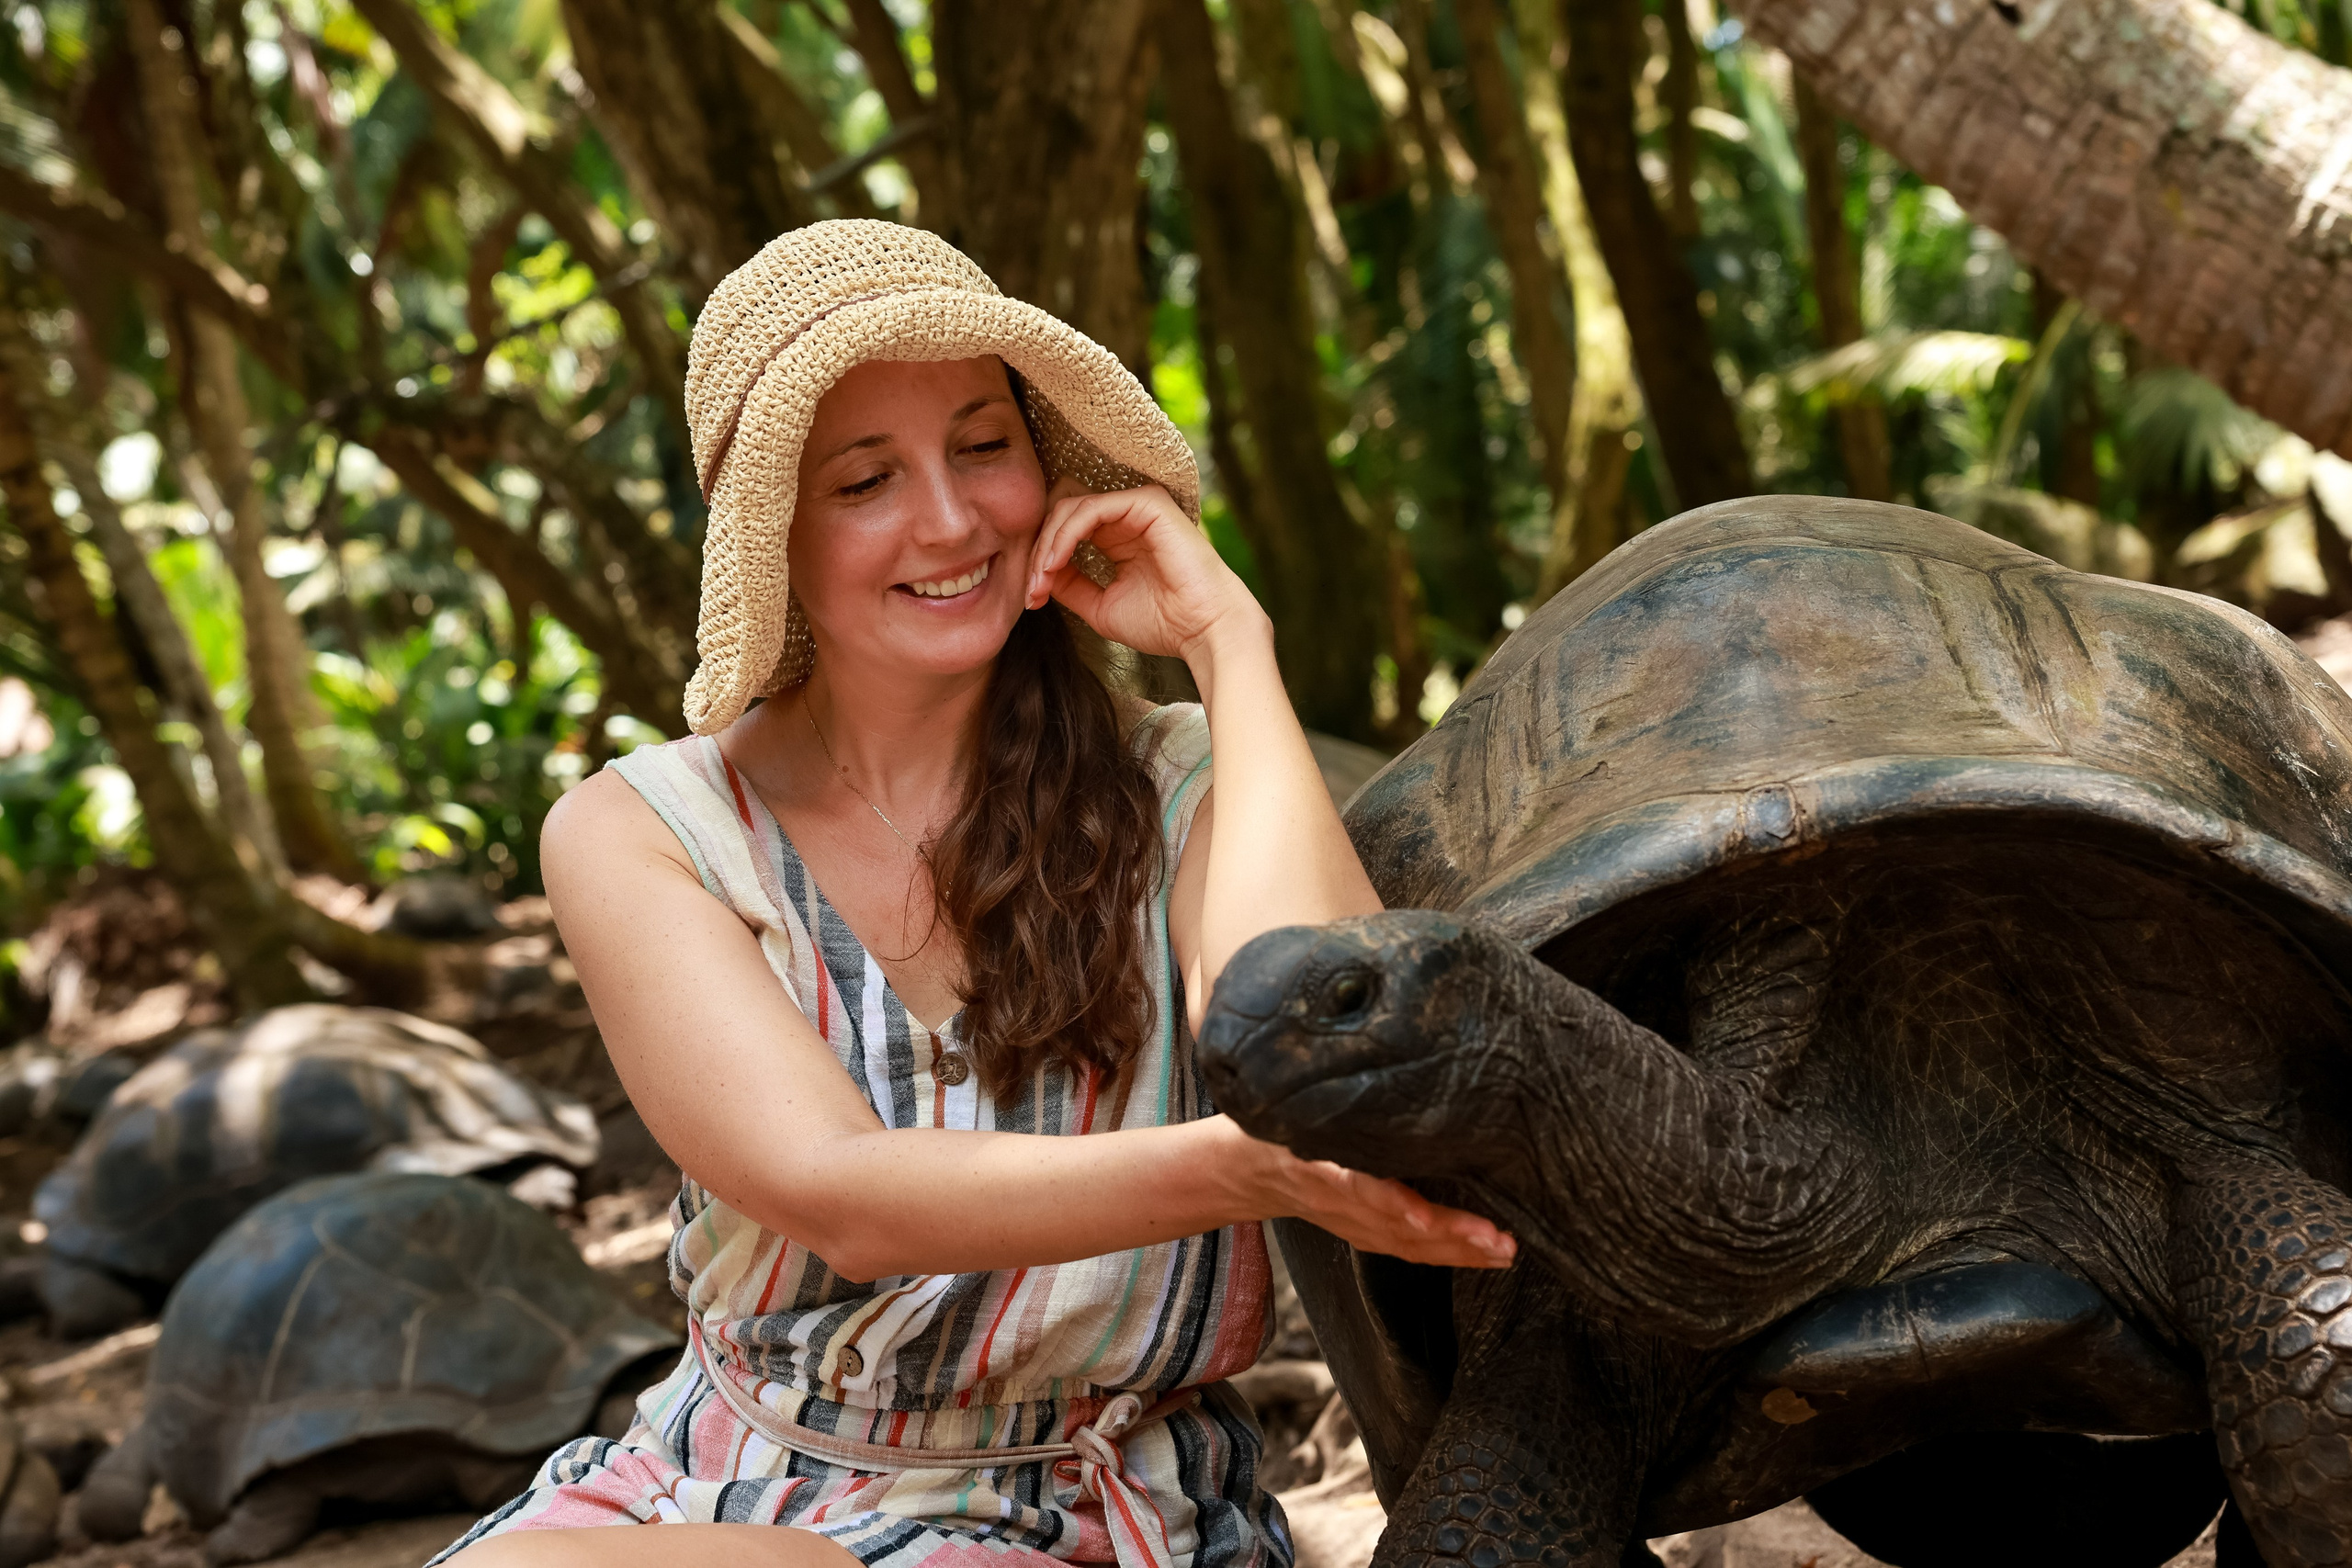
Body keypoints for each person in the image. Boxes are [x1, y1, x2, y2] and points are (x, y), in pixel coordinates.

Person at [439, 220, 1513, 1568]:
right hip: (722, 1497)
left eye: (983, 445)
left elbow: (1324, 1037)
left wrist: (1231, 648)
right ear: (775, 534)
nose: (950, 521)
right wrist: (1238, 1171)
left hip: (1087, 1513)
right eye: (865, 479)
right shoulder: (644, 833)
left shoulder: (1173, 782)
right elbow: (845, 1197)